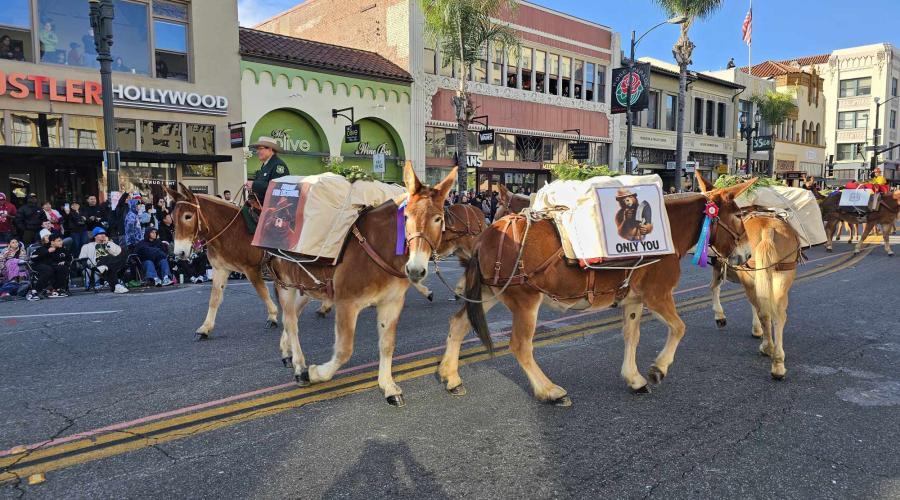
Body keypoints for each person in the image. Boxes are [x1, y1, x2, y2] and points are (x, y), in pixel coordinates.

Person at [79, 227, 129, 294]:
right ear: (95, 236)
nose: (103, 235)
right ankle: (116, 286)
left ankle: (116, 285)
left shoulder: (109, 243)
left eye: (104, 234)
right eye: (100, 234)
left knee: (123, 252)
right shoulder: (87, 246)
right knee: (106, 257)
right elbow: (82, 259)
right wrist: (89, 266)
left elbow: (118, 253)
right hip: (96, 265)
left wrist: (107, 244)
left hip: (111, 265)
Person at [26, 233, 70, 300]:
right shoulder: (44, 247)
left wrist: (65, 262)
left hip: (52, 266)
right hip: (38, 265)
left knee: (62, 268)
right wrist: (47, 251)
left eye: (61, 240)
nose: (61, 242)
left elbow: (70, 258)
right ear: (52, 242)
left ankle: (57, 289)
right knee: (48, 270)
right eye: (59, 241)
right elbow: (32, 257)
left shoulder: (62, 249)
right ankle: (34, 291)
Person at [246, 137, 289, 205]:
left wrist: (253, 184)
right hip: (259, 205)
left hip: (270, 208)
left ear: (270, 149)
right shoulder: (266, 165)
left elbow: (277, 187)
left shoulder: (278, 165)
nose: (257, 152)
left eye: (260, 149)